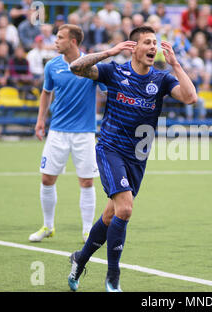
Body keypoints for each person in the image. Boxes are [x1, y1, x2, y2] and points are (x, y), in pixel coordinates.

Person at [66, 26, 197, 292]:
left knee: (110, 215)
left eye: (155, 43)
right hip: (110, 148)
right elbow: (75, 68)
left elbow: (190, 97)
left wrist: (176, 64)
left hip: (138, 158)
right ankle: (113, 277)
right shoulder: (114, 71)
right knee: (125, 208)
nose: (153, 47)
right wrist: (109, 51)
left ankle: (80, 259)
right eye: (147, 42)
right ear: (134, 47)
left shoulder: (161, 78)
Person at [29, 24, 107, 244]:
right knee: (47, 179)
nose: (55, 41)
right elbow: (46, 93)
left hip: (84, 134)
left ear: (73, 41)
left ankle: (86, 230)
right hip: (57, 133)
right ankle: (48, 226)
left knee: (86, 183)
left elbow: (107, 91)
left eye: (60, 37)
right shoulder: (52, 66)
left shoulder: (90, 65)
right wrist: (40, 121)